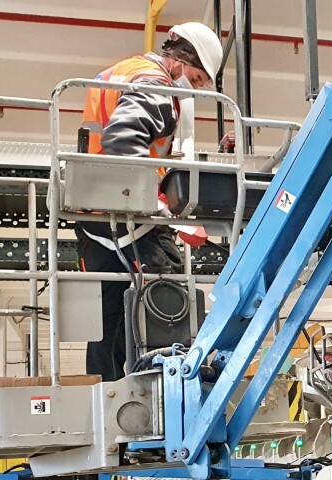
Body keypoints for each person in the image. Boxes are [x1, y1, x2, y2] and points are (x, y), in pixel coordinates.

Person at [75, 22, 224, 382]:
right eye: (200, 80)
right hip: (125, 214)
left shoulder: (127, 69)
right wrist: (160, 213)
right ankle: (168, 388)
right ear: (184, 61)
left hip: (96, 213)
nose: (198, 89)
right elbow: (123, 141)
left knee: (108, 315)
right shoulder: (155, 84)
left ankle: (108, 394)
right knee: (169, 295)